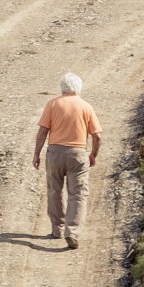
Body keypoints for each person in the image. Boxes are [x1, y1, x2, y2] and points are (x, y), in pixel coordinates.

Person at [33, 72, 102, 248]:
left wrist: (36, 154)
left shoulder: (52, 104)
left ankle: (57, 228)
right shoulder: (86, 106)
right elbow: (97, 136)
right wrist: (93, 154)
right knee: (78, 194)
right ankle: (72, 232)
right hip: (78, 154)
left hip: (55, 153)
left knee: (54, 191)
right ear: (79, 88)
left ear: (62, 88)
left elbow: (43, 131)